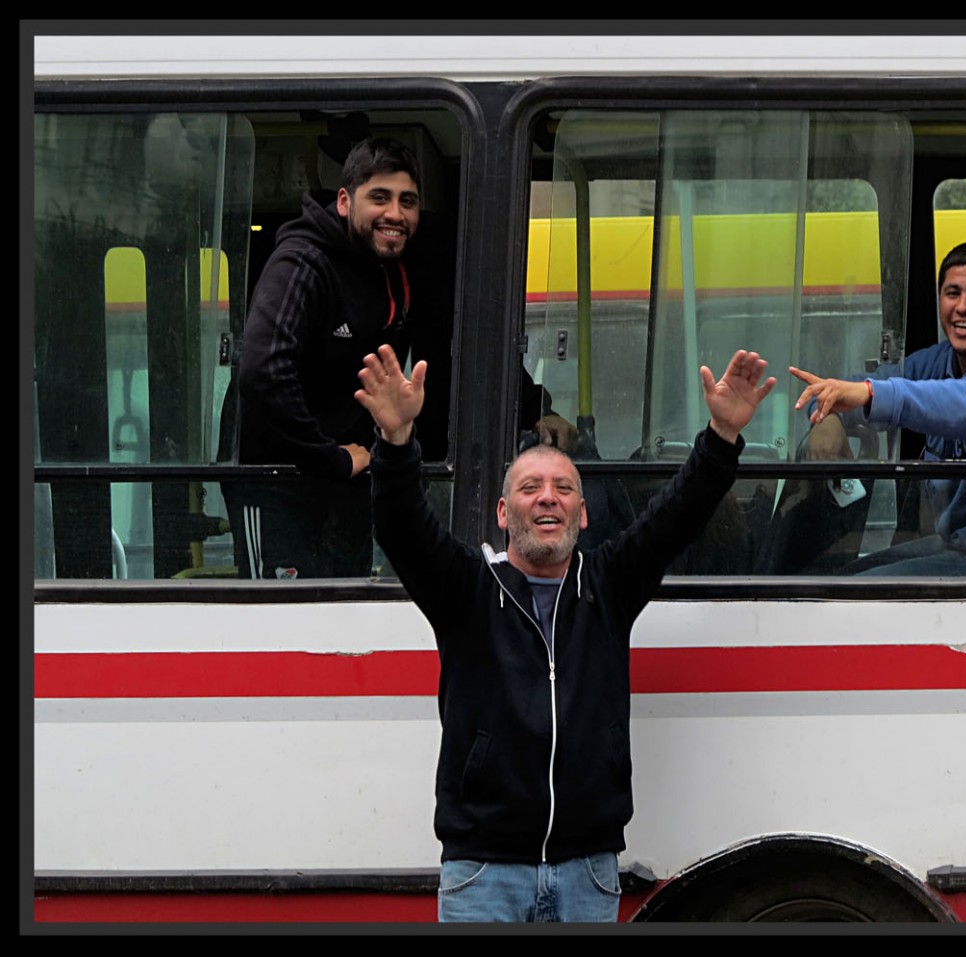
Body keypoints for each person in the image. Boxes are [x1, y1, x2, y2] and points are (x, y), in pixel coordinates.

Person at [355, 345, 776, 922]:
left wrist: (722, 436)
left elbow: (678, 513)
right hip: (483, 873)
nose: (547, 497)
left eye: (563, 488)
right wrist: (396, 441)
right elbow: (401, 526)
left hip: (587, 871)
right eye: (530, 488)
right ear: (504, 514)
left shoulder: (609, 584)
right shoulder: (466, 591)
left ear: (583, 513)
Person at [228, 136, 572, 579]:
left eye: (406, 201)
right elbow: (261, 372)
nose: (394, 213)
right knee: (277, 620)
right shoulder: (302, 263)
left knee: (345, 602)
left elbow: (454, 350)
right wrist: (325, 456)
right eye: (379, 198)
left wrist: (534, 412)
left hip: (348, 481)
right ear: (344, 201)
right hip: (276, 484)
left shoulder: (405, 266)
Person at [788, 240, 966, 576]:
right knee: (840, 579)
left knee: (843, 600)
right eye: (952, 293)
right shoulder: (939, 360)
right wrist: (827, 416)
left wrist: (869, 395)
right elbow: (858, 385)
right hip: (953, 541)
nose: (963, 307)